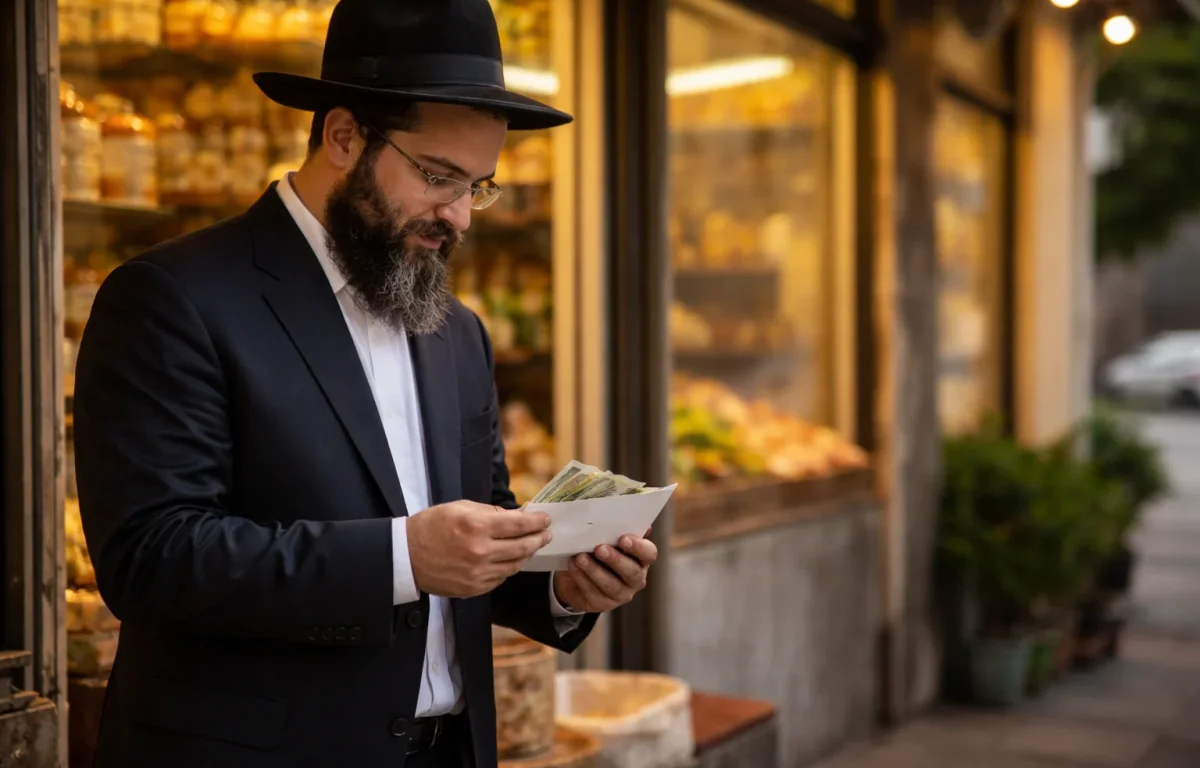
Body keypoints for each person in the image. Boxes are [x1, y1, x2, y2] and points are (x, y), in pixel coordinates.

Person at [71, 1, 657, 766]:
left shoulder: (456, 329)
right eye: (440, 177)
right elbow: (152, 558)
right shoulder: (174, 296)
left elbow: (479, 534)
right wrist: (402, 558)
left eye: (478, 186)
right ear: (344, 136)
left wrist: (564, 587)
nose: (460, 217)